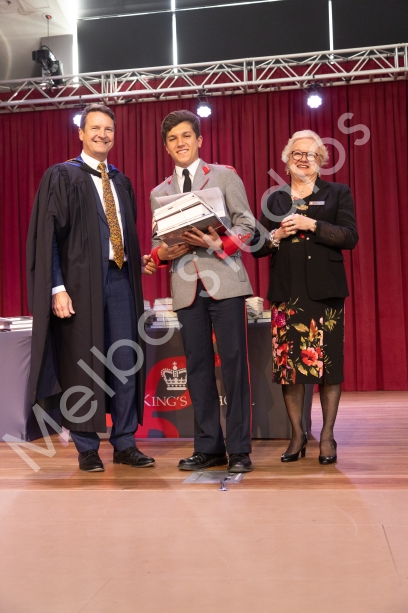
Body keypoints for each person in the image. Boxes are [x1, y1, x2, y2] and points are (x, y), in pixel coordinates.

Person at [27, 103, 156, 472]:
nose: (103, 134)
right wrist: (56, 287)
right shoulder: (62, 176)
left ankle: (125, 442)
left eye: (109, 129)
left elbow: (123, 236)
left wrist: (137, 259)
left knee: (125, 363)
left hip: (121, 281)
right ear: (81, 133)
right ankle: (86, 447)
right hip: (79, 286)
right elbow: (48, 239)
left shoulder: (121, 182)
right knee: (82, 365)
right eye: (95, 128)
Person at [150, 110, 255, 473]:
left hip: (225, 282)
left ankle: (239, 449)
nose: (180, 143)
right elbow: (156, 244)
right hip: (186, 289)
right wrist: (164, 253)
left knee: (234, 366)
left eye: (186, 136)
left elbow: (247, 224)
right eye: (172, 139)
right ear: (166, 147)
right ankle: (209, 447)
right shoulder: (159, 192)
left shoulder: (224, 176)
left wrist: (218, 242)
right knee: (196, 369)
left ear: (199, 140)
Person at [251, 130, 358, 464]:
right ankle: (298, 435)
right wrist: (276, 235)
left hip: (326, 295)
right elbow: (256, 246)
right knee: (289, 369)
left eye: (310, 154)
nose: (303, 159)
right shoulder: (274, 198)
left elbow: (350, 237)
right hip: (287, 294)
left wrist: (312, 224)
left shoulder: (338, 192)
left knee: (329, 368)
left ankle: (327, 437)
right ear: (286, 161)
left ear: (320, 160)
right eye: (296, 154)